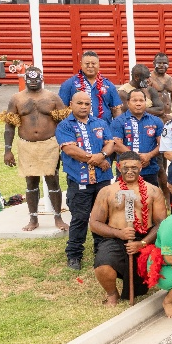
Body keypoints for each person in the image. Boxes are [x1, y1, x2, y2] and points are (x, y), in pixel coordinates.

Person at [88, 151, 167, 306]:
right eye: (126, 167)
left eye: (134, 167)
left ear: (141, 167)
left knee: (142, 287)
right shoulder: (107, 191)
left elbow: (161, 223)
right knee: (102, 265)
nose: (130, 171)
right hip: (115, 237)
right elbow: (95, 223)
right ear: (118, 167)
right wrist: (119, 233)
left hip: (144, 237)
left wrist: (142, 243)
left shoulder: (153, 191)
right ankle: (112, 294)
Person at [2, 66, 69, 231]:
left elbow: (65, 123)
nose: (33, 83)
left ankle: (58, 217)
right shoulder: (16, 99)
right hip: (27, 145)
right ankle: (33, 219)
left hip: (49, 144)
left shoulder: (52, 97)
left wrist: (65, 144)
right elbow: (9, 126)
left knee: (52, 180)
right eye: (30, 80)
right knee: (31, 182)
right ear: (25, 80)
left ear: (42, 79)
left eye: (36, 80)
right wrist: (7, 150)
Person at [57, 91, 113, 270]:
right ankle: (74, 255)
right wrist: (95, 158)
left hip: (102, 179)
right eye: (79, 103)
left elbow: (110, 142)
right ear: (71, 104)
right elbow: (70, 150)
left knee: (103, 216)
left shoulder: (100, 123)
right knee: (80, 218)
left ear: (91, 105)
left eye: (87, 104)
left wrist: (103, 154)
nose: (83, 107)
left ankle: (101, 251)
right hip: (79, 179)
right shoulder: (65, 126)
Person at [110, 87, 164, 187]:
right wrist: (136, 158)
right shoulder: (118, 121)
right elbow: (116, 145)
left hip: (149, 170)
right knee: (127, 200)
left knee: (148, 200)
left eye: (141, 100)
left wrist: (149, 155)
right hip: (126, 171)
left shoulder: (156, 121)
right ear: (128, 102)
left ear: (145, 102)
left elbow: (163, 144)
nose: (138, 103)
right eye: (134, 100)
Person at [58, 50, 122, 119]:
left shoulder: (109, 85)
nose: (90, 66)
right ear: (81, 64)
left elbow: (116, 110)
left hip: (104, 127)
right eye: (87, 63)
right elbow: (62, 109)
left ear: (99, 64)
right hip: (78, 128)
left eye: (93, 63)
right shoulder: (69, 84)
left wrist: (117, 128)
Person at [148, 53, 172, 121]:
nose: (162, 65)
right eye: (159, 63)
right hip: (155, 117)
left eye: (164, 63)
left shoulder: (171, 79)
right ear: (154, 63)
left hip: (170, 116)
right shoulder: (149, 79)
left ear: (168, 64)